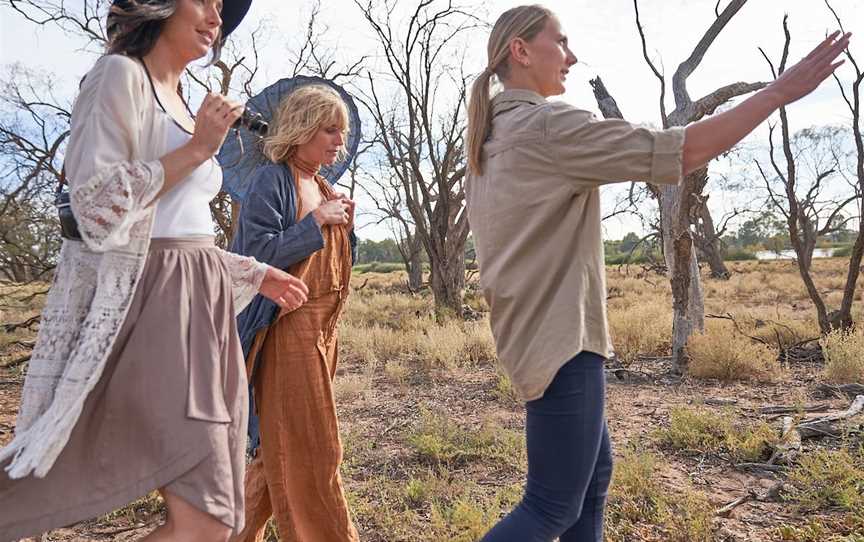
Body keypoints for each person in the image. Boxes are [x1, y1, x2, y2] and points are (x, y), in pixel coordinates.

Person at [464, 5, 851, 541]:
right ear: (521, 51)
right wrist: (777, 93)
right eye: (561, 42)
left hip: (536, 331)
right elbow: (683, 148)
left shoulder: (494, 133)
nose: (572, 57)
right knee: (550, 506)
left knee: (591, 483)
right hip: (560, 339)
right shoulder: (548, 127)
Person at [0, 1, 310, 541]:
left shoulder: (185, 101)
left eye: (222, 8)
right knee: (206, 517)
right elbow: (93, 209)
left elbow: (184, 227)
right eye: (206, 1)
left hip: (202, 303)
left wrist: (254, 272)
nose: (217, 16)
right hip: (151, 310)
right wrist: (197, 149)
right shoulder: (120, 76)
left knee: (214, 518)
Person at [230, 84, 360, 542]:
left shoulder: (321, 184)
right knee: (313, 450)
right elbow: (253, 258)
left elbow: (334, 267)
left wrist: (346, 225)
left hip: (325, 333)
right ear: (302, 127)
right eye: (330, 129)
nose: (338, 142)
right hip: (287, 333)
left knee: (278, 449)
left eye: (341, 133)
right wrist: (315, 222)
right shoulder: (272, 180)